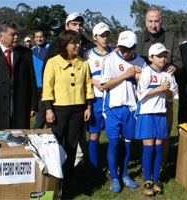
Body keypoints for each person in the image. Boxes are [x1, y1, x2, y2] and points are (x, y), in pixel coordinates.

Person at [42, 30, 94, 187]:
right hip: (58, 109)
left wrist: (88, 106)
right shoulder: (53, 62)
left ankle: (69, 177)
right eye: (74, 43)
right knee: (56, 143)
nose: (78, 45)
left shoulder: (83, 63)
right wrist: (48, 109)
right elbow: (47, 87)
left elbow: (87, 85)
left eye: (78, 42)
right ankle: (54, 177)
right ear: (64, 44)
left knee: (72, 144)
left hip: (78, 109)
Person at [135, 6, 182, 172]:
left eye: (156, 21)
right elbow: (132, 58)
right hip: (145, 92)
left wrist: (174, 66)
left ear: (161, 21)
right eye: (150, 21)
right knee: (144, 132)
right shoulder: (139, 37)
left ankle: (161, 164)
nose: (153, 25)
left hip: (165, 92)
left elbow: (178, 60)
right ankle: (145, 164)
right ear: (145, 22)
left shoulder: (170, 37)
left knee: (164, 130)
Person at [100, 30, 145, 192]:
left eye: (128, 49)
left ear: (134, 47)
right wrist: (126, 75)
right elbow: (104, 85)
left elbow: (143, 87)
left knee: (127, 144)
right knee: (113, 143)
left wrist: (139, 78)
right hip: (113, 108)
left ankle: (124, 174)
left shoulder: (140, 62)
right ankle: (114, 178)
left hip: (131, 109)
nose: (124, 52)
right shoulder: (110, 59)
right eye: (121, 48)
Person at [135, 43, 176, 196]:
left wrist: (166, 92)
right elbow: (141, 94)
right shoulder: (146, 72)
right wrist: (160, 88)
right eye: (159, 56)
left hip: (160, 114)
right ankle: (147, 180)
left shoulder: (168, 75)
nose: (163, 59)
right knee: (149, 147)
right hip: (147, 114)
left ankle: (156, 179)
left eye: (165, 55)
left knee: (159, 147)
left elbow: (171, 98)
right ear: (151, 57)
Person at [84, 22, 113, 180]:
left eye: (107, 34)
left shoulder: (115, 53)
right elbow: (84, 75)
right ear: (94, 37)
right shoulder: (88, 55)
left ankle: (112, 166)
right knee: (94, 135)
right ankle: (94, 168)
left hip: (112, 100)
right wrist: (95, 83)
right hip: (95, 100)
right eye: (102, 35)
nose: (105, 38)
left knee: (112, 135)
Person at [32, 29, 50, 129]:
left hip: (45, 86)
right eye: (37, 37)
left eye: (41, 36)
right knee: (40, 111)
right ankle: (50, 134)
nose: (39, 39)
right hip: (35, 87)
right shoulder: (31, 51)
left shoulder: (50, 49)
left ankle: (35, 132)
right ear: (34, 38)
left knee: (42, 113)